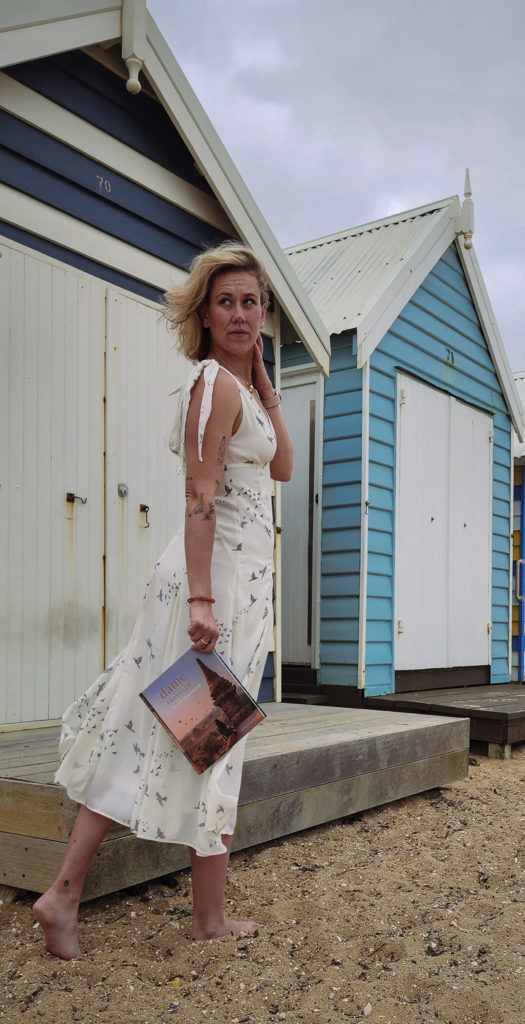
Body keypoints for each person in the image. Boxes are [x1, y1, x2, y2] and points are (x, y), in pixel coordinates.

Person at [32, 242, 292, 960]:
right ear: (204, 315)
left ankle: (205, 917)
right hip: (208, 588)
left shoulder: (239, 386)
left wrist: (263, 374)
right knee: (166, 733)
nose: (240, 313)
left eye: (251, 301)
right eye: (226, 302)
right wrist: (203, 601)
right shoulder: (210, 385)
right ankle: (63, 894)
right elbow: (198, 498)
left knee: (211, 740)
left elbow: (284, 466)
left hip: (238, 588)